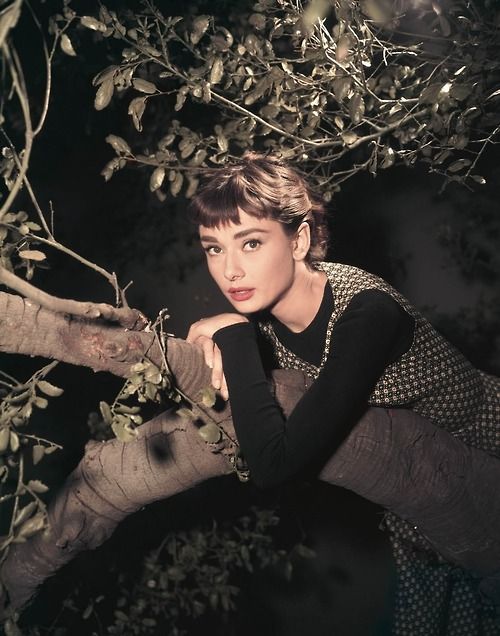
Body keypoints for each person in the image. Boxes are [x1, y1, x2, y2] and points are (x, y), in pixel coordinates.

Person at [186, 152, 500, 635]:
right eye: (213, 248)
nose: (229, 270)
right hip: (421, 505)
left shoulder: (367, 312)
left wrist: (232, 335)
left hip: (489, 454)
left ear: (300, 239)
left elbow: (276, 464)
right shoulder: (265, 325)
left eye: (250, 243)